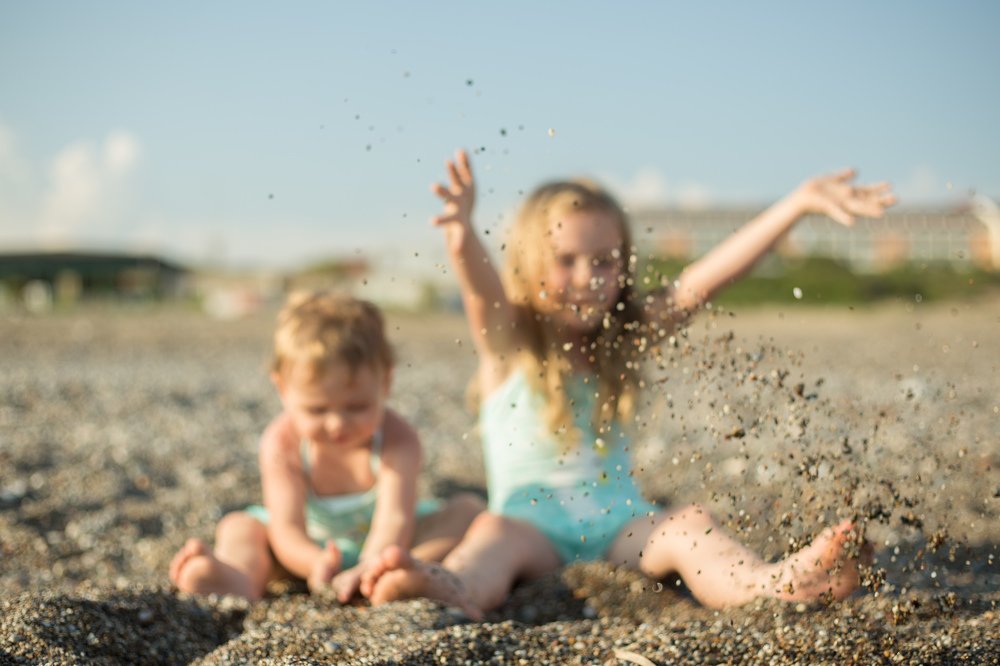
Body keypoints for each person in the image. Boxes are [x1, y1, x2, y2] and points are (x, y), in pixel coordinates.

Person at [361, 149, 894, 619]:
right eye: (565, 261)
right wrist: (461, 237)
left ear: (624, 264)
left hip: (621, 526)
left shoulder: (623, 339)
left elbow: (701, 282)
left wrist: (796, 203)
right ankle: (450, 585)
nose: (589, 276)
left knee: (689, 526)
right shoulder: (512, 343)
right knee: (489, 538)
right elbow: (482, 294)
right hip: (530, 529)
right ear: (528, 263)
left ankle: (771, 583)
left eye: (604, 261)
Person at [169, 291, 483, 602]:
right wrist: (313, 561)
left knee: (467, 511)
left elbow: (395, 519)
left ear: (385, 383)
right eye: (317, 410)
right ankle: (237, 579)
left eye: (357, 406)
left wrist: (369, 564)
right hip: (305, 549)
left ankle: (404, 573)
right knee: (238, 526)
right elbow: (286, 528)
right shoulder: (283, 442)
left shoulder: (397, 438)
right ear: (282, 388)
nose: (337, 424)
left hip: (388, 545)